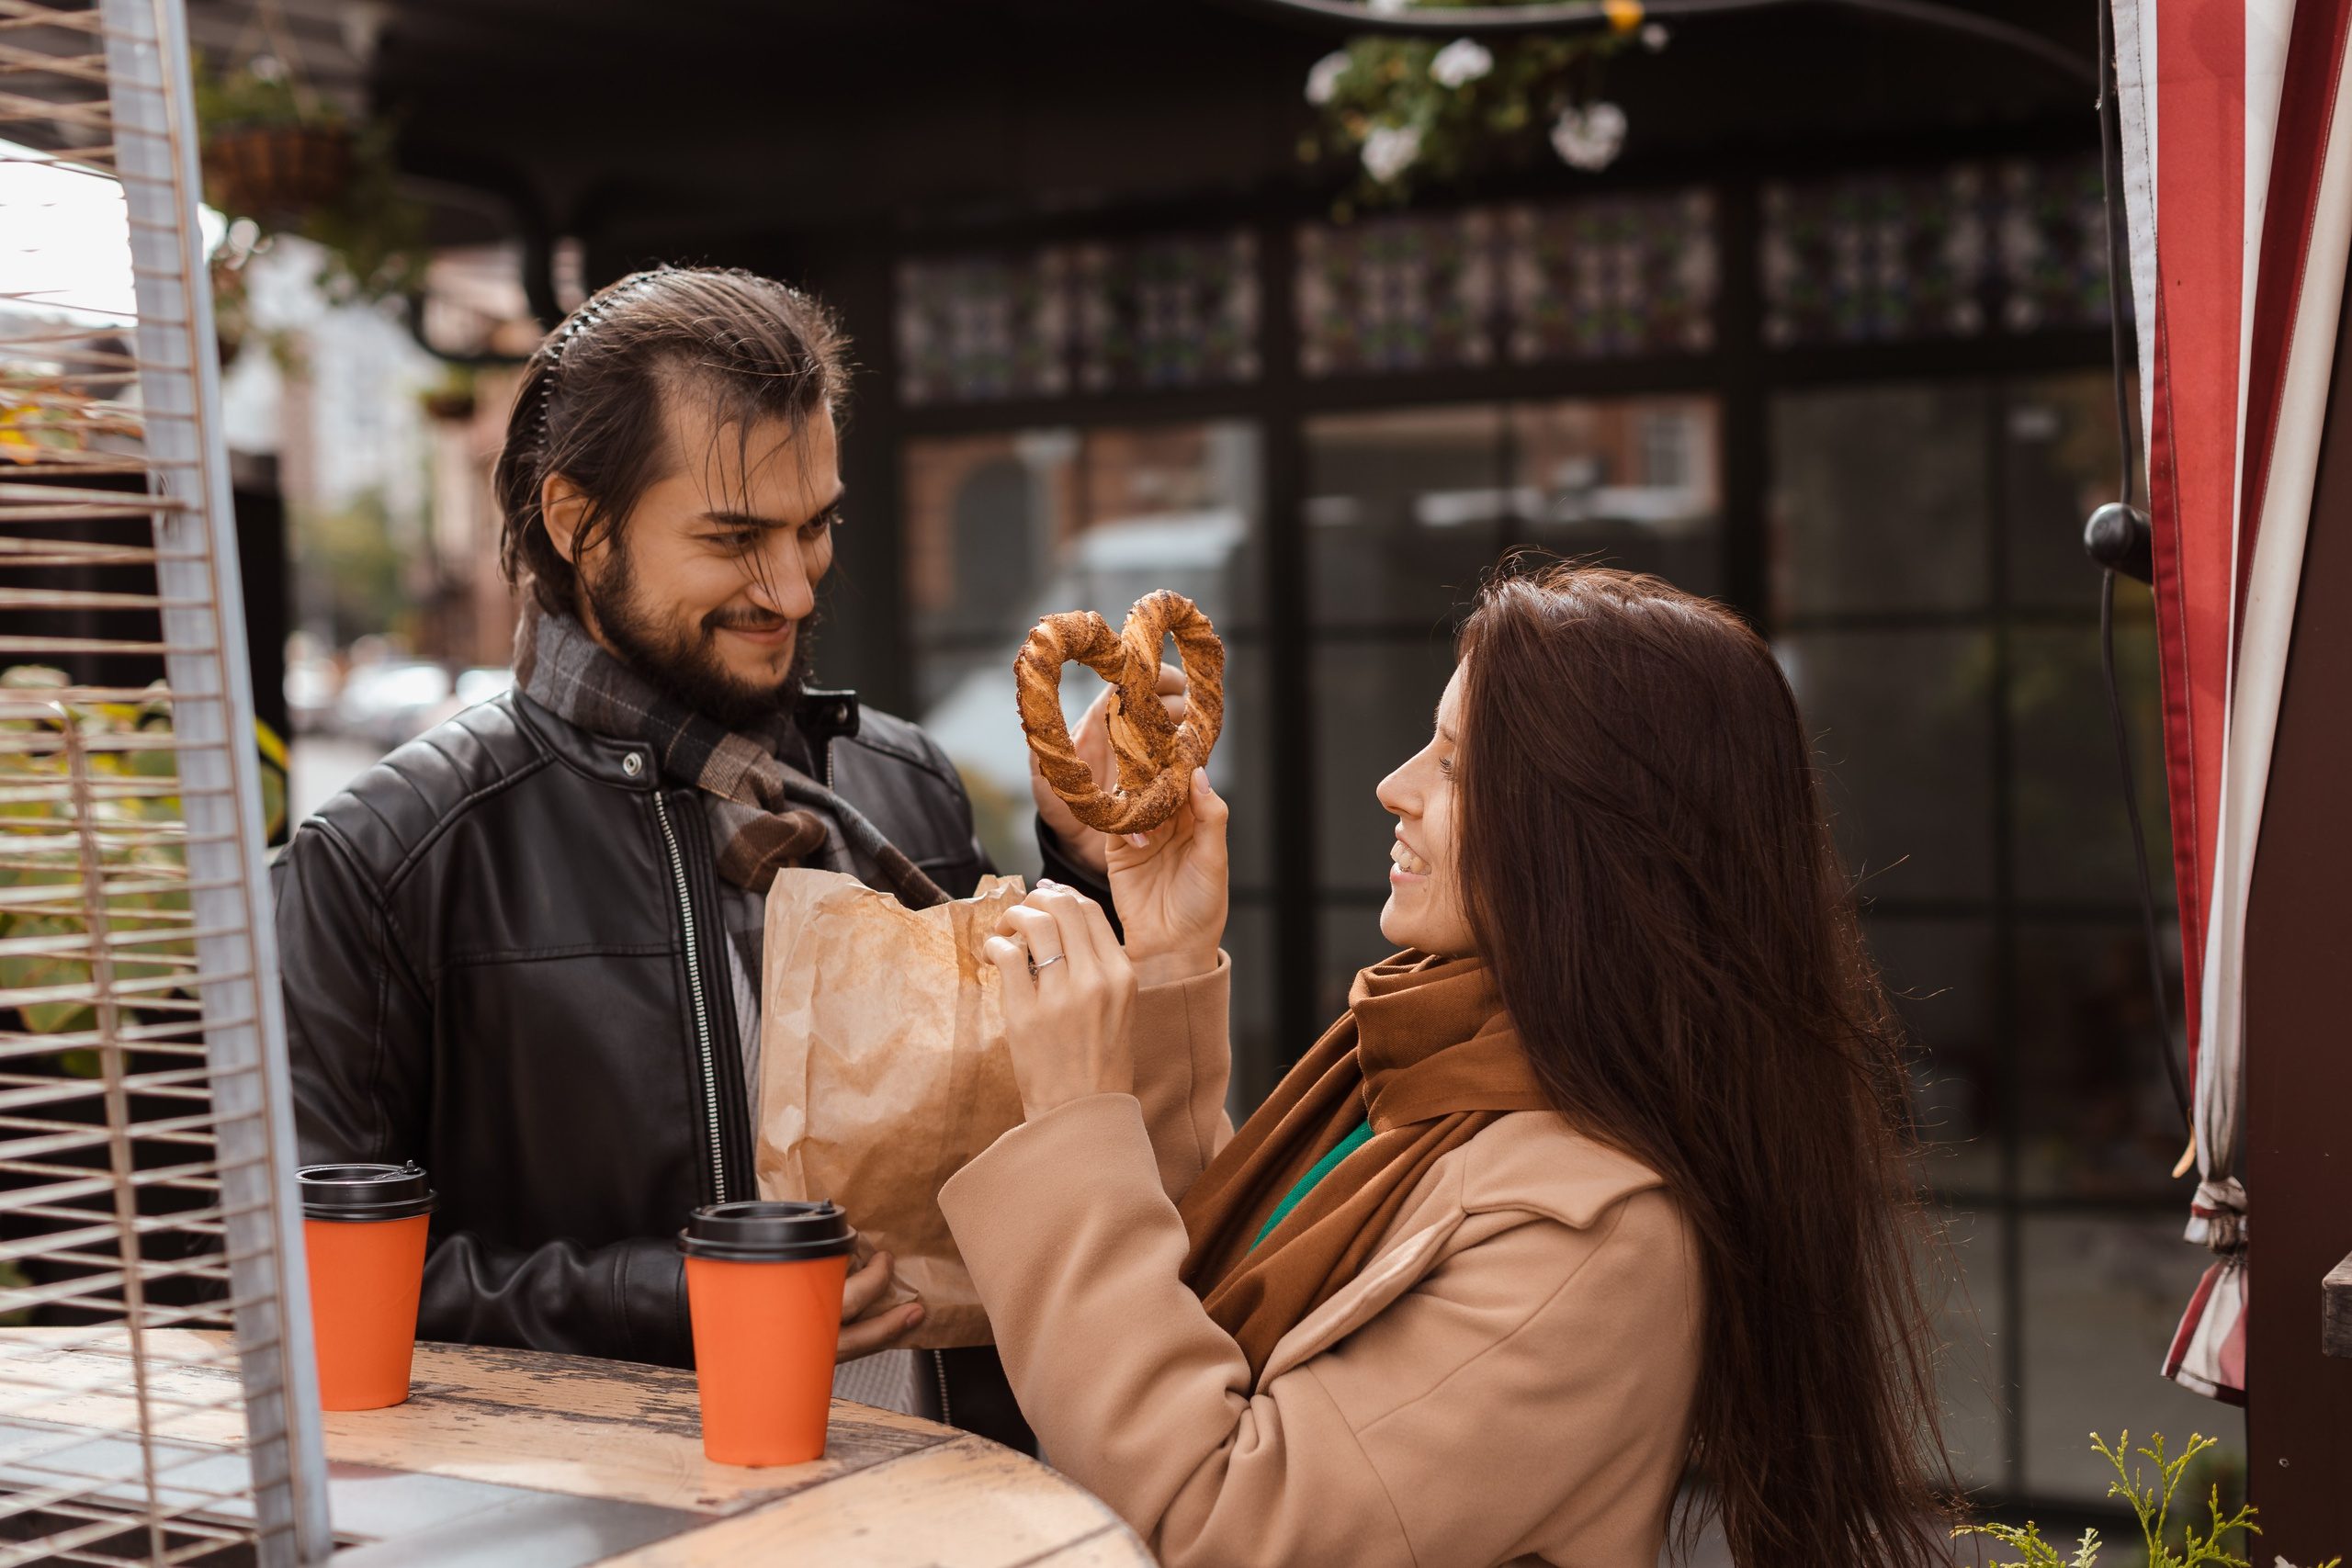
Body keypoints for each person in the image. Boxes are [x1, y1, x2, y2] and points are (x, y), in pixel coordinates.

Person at [944, 565, 1953, 1566]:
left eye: (1457, 766)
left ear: (1593, 835)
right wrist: (1167, 959)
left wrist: (1078, 1113)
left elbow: (1226, 1526)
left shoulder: (1595, 1238)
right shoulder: (1422, 1066)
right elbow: (1195, 1289)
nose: (1396, 787)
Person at [273, 266, 1119, 1449]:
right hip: (630, 1515)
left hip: (956, 1491)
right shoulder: (389, 857)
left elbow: (1026, 1135)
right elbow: (297, 1280)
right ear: (577, 522)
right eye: (734, 538)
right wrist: (679, 1302)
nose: (793, 587)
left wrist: (1086, 871)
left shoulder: (905, 783)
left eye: (814, 525)